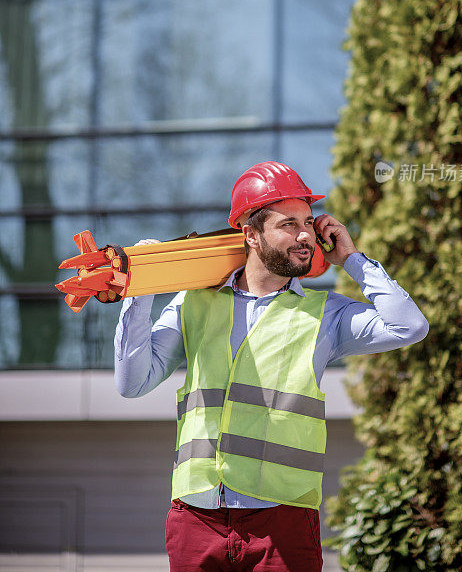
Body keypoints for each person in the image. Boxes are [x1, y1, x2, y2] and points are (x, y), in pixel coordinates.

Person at [114, 161, 429, 572]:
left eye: (309, 222)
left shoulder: (325, 314)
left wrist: (352, 259)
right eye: (288, 224)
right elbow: (132, 383)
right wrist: (141, 288)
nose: (305, 235)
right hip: (196, 516)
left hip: (282, 522)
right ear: (251, 235)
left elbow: (409, 326)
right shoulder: (194, 302)